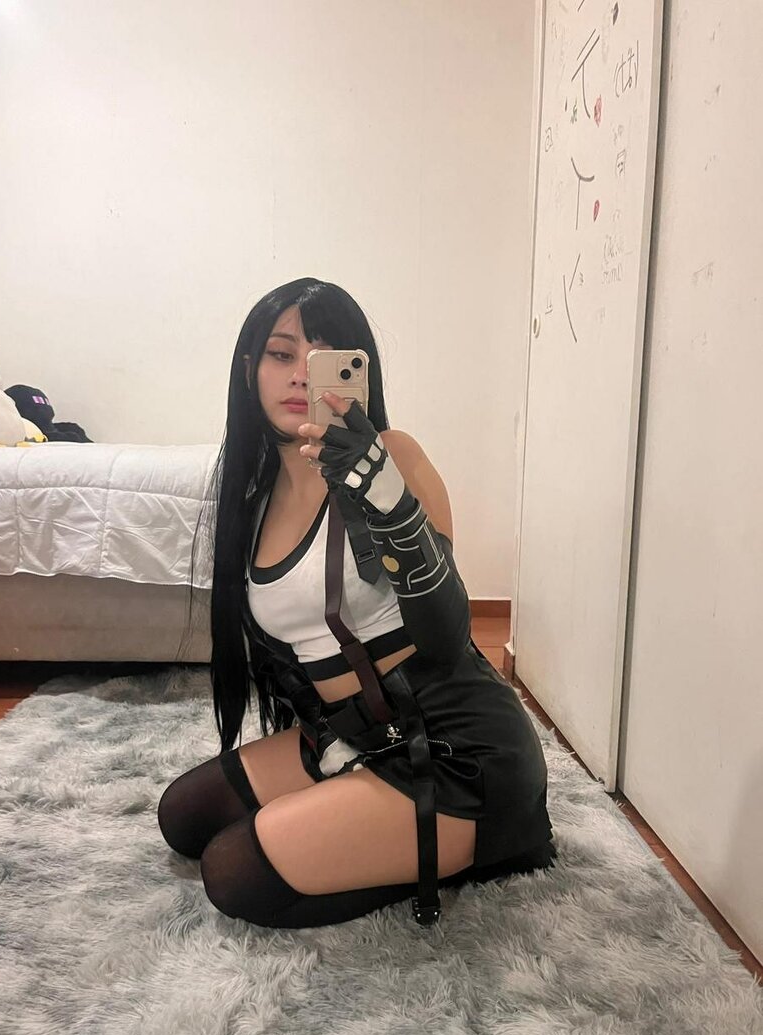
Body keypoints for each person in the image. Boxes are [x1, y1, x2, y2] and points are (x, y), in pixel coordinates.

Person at [158, 277, 556, 929]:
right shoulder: (253, 497)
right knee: (186, 816)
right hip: (356, 735)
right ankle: (369, 815)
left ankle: (490, 844)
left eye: (323, 356)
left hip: (458, 747)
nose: (299, 374)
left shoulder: (394, 456)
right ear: (250, 368)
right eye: (281, 353)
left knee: (234, 871)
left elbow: (447, 635)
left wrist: (388, 501)